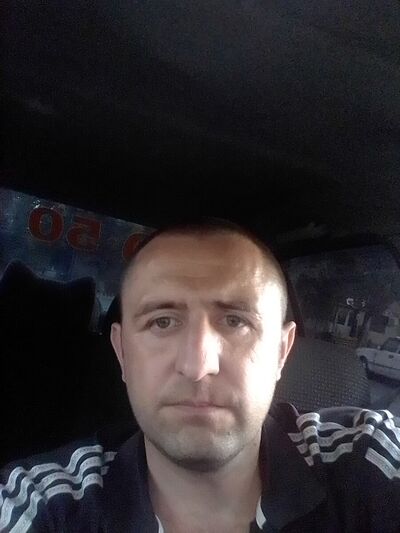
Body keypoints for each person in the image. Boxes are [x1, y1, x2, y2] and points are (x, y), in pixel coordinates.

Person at [1, 219, 400, 533]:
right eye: (162, 322)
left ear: (281, 352)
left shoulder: (365, 459)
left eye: (235, 321)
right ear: (122, 353)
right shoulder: (45, 505)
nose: (197, 366)